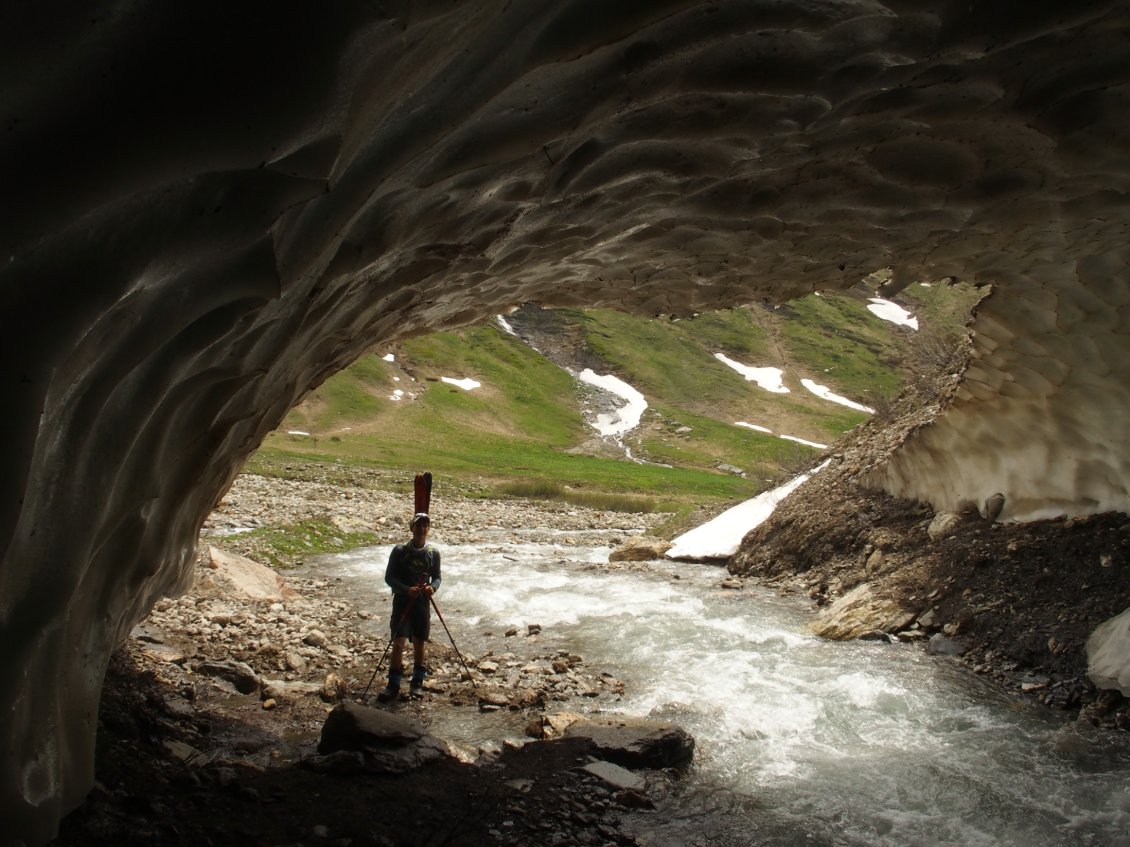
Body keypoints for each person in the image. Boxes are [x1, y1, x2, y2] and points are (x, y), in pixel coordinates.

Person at [378, 512, 441, 700]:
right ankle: (393, 684)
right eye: (418, 526)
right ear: (411, 528)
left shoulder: (433, 553)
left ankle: (417, 683)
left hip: (422, 602)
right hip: (402, 602)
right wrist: (406, 590)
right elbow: (389, 578)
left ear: (428, 529)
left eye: (425, 526)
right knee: (398, 642)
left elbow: (437, 577)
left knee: (420, 642)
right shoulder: (399, 551)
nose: (422, 529)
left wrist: (433, 587)